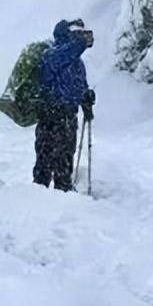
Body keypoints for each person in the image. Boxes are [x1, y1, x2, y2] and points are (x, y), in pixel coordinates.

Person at [34, 19, 95, 191]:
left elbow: (79, 86)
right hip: (50, 116)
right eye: (75, 33)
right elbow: (65, 55)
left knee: (65, 157)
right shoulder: (51, 55)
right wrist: (81, 43)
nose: (79, 36)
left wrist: (86, 99)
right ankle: (38, 195)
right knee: (45, 160)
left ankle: (64, 192)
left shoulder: (77, 63)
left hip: (69, 116)